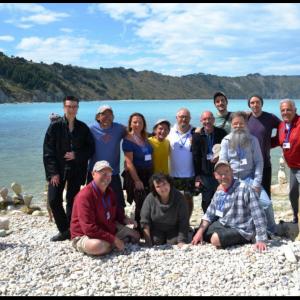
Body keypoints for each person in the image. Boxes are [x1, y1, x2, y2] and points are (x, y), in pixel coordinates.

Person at [43, 96, 94, 242]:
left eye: (74, 107)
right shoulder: (55, 126)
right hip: (58, 170)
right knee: (53, 200)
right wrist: (52, 173)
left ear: (78, 108)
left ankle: (71, 231)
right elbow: (48, 151)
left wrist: (76, 155)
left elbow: (90, 149)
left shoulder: (83, 128)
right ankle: (64, 229)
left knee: (72, 201)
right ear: (64, 107)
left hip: (76, 170)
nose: (72, 109)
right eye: (69, 106)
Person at [219, 111, 277, 235]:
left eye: (241, 123)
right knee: (222, 204)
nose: (238, 126)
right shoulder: (226, 141)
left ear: (246, 124)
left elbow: (259, 162)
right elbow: (222, 163)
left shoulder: (253, 140)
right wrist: (223, 182)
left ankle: (272, 230)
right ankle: (228, 229)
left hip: (249, 178)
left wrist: (256, 183)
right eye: (235, 124)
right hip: (232, 180)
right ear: (231, 125)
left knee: (266, 204)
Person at [192, 160, 268, 251]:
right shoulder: (219, 192)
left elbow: (258, 215)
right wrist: (199, 232)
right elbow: (209, 215)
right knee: (196, 232)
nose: (223, 176)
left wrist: (261, 239)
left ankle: (248, 239)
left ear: (232, 172)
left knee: (215, 239)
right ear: (215, 176)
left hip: (242, 229)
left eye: (226, 172)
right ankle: (214, 235)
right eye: (220, 173)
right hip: (224, 224)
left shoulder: (245, 188)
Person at [71, 161, 140, 256]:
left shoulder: (110, 192)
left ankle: (112, 244)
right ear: (93, 174)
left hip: (106, 227)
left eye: (109, 174)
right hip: (85, 234)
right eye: (103, 174)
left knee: (136, 236)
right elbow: (88, 228)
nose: (107, 177)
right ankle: (113, 244)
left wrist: (125, 219)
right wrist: (114, 239)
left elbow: (117, 212)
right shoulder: (85, 196)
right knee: (98, 246)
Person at [87, 104, 127, 212]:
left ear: (113, 117)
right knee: (92, 202)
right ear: (98, 117)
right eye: (104, 114)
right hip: (95, 173)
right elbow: (78, 143)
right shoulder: (90, 128)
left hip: (113, 172)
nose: (107, 116)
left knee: (118, 202)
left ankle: (119, 223)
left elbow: (135, 133)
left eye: (110, 114)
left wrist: (151, 137)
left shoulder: (119, 128)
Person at [122, 112, 153, 233]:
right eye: (134, 122)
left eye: (140, 122)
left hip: (148, 173)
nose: (137, 124)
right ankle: (140, 230)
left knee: (149, 200)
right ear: (130, 124)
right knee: (140, 201)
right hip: (136, 173)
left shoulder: (145, 137)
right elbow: (129, 162)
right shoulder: (128, 140)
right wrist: (136, 180)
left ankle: (148, 226)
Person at [140, 173, 189, 247]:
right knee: (156, 241)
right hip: (156, 228)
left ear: (169, 183)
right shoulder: (150, 198)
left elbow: (184, 220)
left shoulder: (179, 198)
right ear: (154, 188)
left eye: (164, 184)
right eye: (158, 186)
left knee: (174, 242)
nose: (162, 188)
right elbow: (144, 221)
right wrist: (148, 242)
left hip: (174, 227)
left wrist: (182, 241)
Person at [192, 111, 227, 213]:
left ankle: (219, 223)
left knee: (221, 199)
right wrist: (197, 176)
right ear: (201, 121)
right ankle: (208, 224)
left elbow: (227, 150)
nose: (207, 121)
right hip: (205, 174)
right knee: (206, 201)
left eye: (209, 119)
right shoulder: (197, 136)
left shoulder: (221, 133)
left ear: (213, 120)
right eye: (204, 119)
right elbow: (195, 157)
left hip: (220, 174)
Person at [272, 99, 300, 223]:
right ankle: (296, 216)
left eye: (288, 109)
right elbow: (278, 141)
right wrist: (257, 143)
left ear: (295, 110)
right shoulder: (282, 126)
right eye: (282, 110)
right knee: (293, 193)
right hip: (293, 167)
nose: (285, 112)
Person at [247, 95, 281, 197]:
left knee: (265, 195)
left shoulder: (270, 117)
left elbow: (283, 127)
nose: (255, 105)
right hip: (248, 165)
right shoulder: (246, 118)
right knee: (250, 195)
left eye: (257, 102)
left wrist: (275, 141)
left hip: (265, 163)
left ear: (262, 104)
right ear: (249, 105)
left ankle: (267, 213)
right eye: (252, 103)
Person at [167, 108, 196, 219]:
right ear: (176, 118)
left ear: (190, 118)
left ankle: (186, 222)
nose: (184, 119)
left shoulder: (195, 132)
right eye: (181, 117)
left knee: (189, 199)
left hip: (190, 174)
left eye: (186, 117)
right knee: (172, 200)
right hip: (173, 174)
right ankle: (174, 222)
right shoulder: (169, 132)